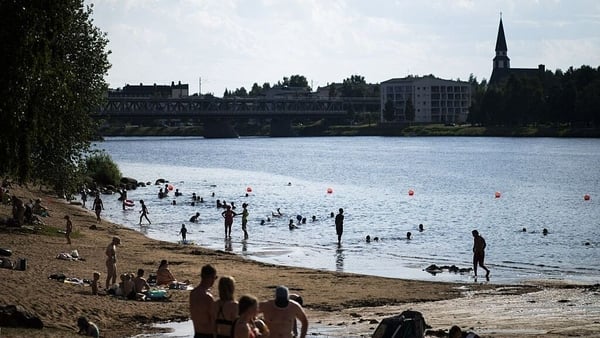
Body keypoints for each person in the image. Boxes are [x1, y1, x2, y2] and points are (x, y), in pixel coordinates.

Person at [190, 264, 218, 338]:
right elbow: (213, 320)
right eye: (215, 277)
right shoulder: (208, 297)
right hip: (208, 334)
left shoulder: (193, 293)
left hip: (197, 333)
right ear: (211, 277)